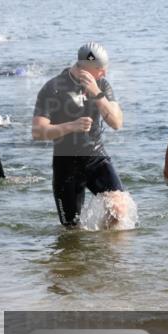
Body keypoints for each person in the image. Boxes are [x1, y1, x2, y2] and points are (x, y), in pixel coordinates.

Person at [31, 42, 127, 226]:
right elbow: (37, 132)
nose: (104, 73)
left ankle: (106, 253)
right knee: (70, 230)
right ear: (86, 68)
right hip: (66, 163)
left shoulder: (102, 85)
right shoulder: (53, 88)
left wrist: (97, 94)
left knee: (118, 209)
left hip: (95, 156)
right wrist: (71, 126)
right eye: (100, 69)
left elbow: (116, 123)